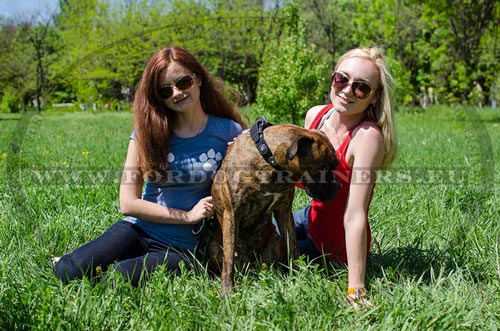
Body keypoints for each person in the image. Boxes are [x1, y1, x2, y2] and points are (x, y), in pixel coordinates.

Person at [53, 46, 245, 286]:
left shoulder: (228, 131)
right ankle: (74, 260)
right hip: (139, 230)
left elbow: (253, 183)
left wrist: (243, 151)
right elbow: (128, 203)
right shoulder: (147, 133)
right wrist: (187, 216)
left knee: (119, 279)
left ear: (197, 79)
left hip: (183, 248)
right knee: (69, 271)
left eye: (183, 82)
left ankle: (124, 265)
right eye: (166, 90)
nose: (177, 93)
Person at [293, 47, 397, 309]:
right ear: (333, 78)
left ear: (373, 98)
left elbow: (355, 214)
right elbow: (301, 177)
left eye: (361, 87)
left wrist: (356, 288)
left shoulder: (367, 138)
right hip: (310, 217)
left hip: (333, 245)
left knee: (263, 254)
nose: (348, 90)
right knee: (252, 229)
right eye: (342, 79)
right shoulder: (316, 115)